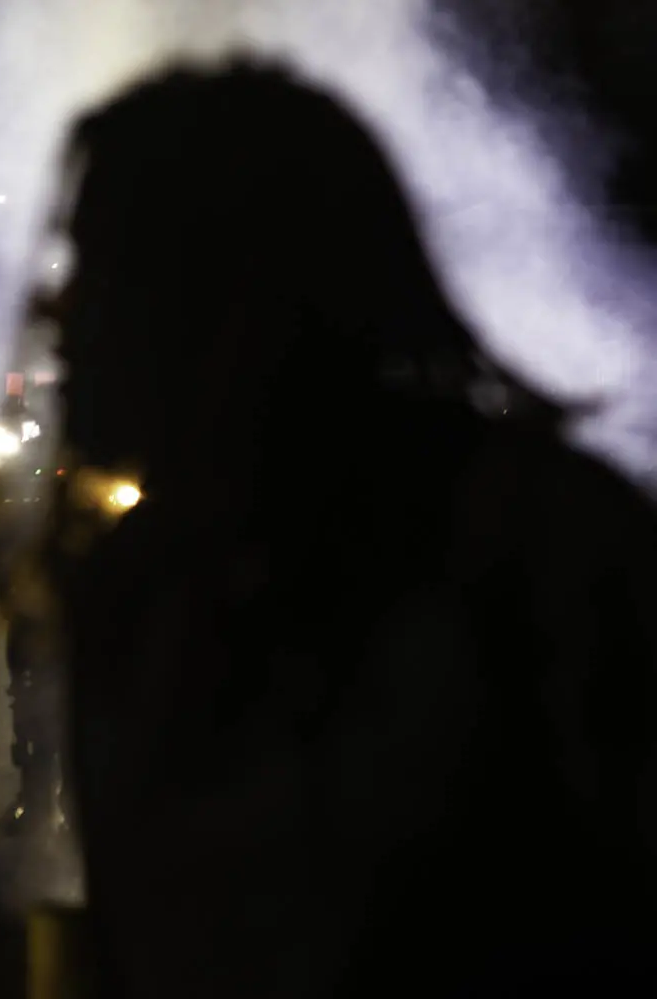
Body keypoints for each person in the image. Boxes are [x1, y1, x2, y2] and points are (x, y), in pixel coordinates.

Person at [43, 60, 657, 998]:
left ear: (222, 291)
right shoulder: (151, 578)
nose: (62, 317)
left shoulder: (540, 551)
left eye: (101, 269)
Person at [0, 403, 63, 832]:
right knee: (25, 695)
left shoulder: (54, 477)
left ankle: (56, 793)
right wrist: (8, 585)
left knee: (58, 698)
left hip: (61, 609)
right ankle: (34, 794)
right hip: (25, 608)